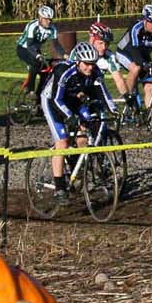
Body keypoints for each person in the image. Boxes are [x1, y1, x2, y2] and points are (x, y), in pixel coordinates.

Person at [40, 41, 115, 202]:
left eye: (92, 64)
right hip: (52, 101)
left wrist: (114, 110)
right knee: (63, 142)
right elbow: (56, 99)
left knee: (86, 128)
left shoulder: (94, 72)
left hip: (73, 99)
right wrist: (69, 116)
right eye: (87, 64)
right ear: (78, 62)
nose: (90, 67)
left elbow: (104, 93)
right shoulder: (64, 71)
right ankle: (59, 188)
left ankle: (77, 164)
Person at [115, 4, 152, 109]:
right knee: (135, 68)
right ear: (145, 21)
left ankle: (148, 117)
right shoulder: (135, 28)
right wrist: (144, 64)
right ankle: (128, 97)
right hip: (125, 52)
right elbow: (135, 51)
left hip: (142, 54)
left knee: (149, 85)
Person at [16, 5, 65, 91]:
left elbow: (56, 45)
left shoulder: (52, 28)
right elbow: (29, 45)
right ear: (41, 18)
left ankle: (38, 97)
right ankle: (30, 91)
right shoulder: (32, 26)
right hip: (24, 48)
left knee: (45, 73)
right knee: (35, 64)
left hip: (35, 49)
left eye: (50, 19)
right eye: (46, 19)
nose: (49, 22)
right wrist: (38, 55)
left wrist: (64, 55)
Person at [88, 21, 129, 99]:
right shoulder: (78, 54)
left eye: (106, 44)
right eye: (100, 43)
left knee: (112, 109)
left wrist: (127, 97)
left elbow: (118, 79)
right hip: (78, 92)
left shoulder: (109, 57)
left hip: (98, 90)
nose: (104, 47)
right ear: (92, 40)